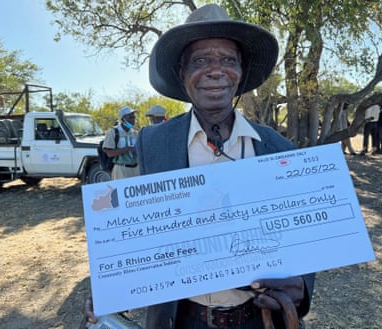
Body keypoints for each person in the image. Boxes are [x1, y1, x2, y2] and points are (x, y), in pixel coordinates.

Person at [83, 4, 315, 329]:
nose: (215, 71)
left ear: (241, 72)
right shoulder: (154, 143)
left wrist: (300, 288)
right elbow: (137, 231)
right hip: (183, 319)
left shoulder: (278, 149)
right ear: (182, 74)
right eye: (201, 61)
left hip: (258, 321)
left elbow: (304, 242)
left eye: (228, 60)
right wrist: (111, 285)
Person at [102, 106, 140, 180]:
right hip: (121, 169)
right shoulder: (113, 132)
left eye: (134, 117)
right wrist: (127, 149)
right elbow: (109, 153)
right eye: (130, 117)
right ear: (123, 119)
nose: (133, 120)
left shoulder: (135, 133)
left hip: (136, 169)